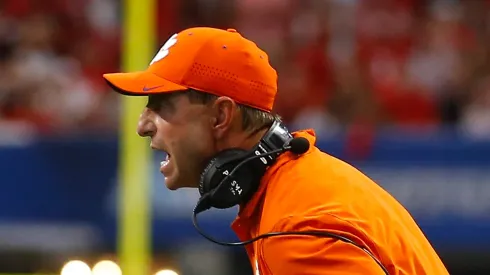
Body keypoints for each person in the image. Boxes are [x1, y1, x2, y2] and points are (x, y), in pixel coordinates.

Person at [103, 27, 449, 275]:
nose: (142, 125)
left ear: (221, 115)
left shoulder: (296, 228)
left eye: (160, 104)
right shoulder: (296, 186)